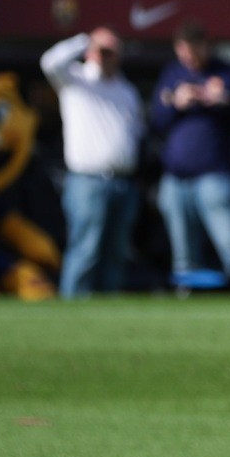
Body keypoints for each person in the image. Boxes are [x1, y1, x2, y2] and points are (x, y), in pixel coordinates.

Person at [41, 28, 146, 297]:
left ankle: (107, 313)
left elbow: (136, 131)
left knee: (116, 253)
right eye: (104, 51)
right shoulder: (76, 80)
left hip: (123, 181)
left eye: (114, 52)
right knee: (85, 249)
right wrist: (86, 40)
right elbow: (49, 61)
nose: (108, 57)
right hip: (87, 181)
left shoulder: (126, 90)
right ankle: (71, 311)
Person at [150, 21, 230, 283]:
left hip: (214, 176)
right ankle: (187, 298)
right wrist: (176, 102)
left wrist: (220, 99)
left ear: (205, 46)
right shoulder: (172, 74)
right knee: (183, 255)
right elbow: (156, 121)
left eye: (194, 53)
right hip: (175, 177)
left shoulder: (226, 72)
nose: (189, 60)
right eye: (184, 54)